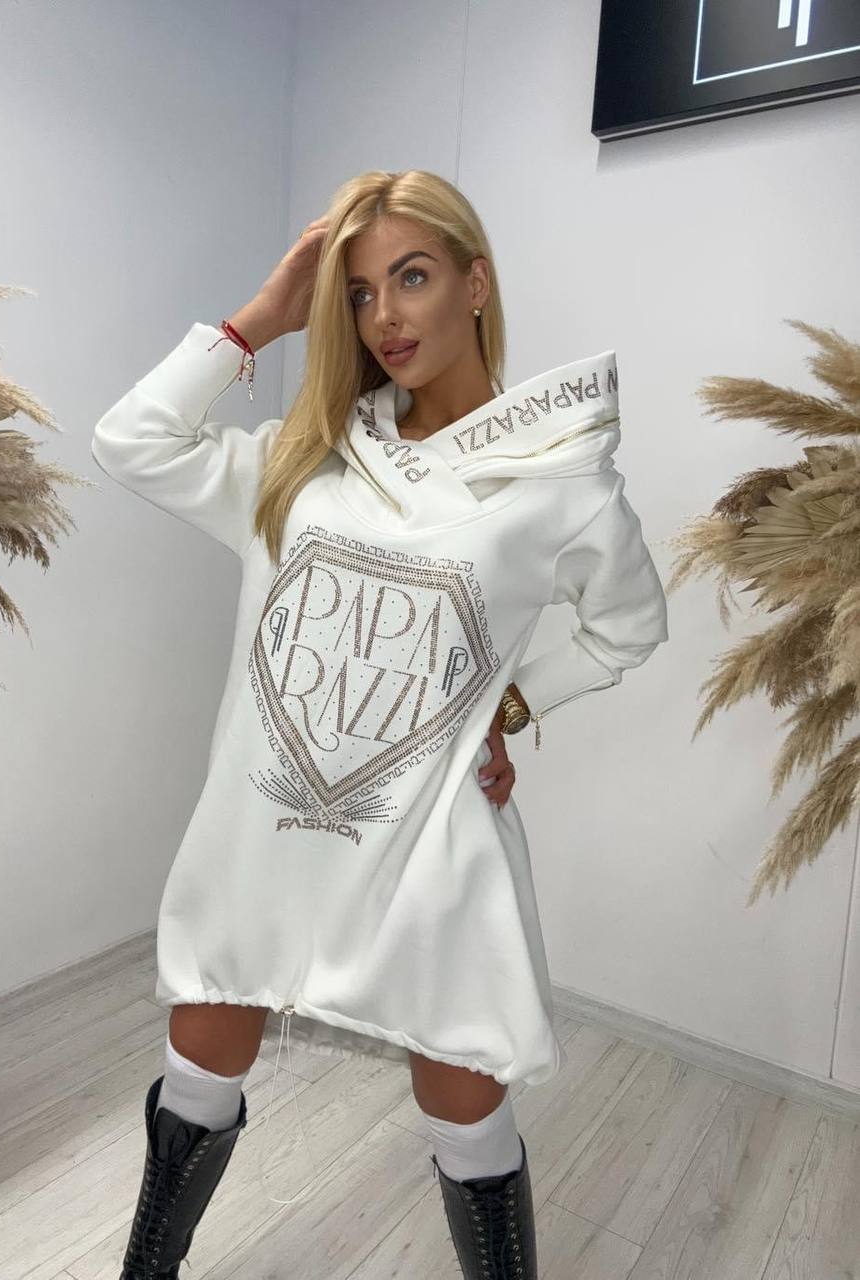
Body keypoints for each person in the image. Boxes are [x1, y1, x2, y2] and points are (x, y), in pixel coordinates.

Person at [91, 168, 669, 1279]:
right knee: (200, 1063)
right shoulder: (300, 463)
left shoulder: (563, 487)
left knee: (466, 1107)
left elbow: (627, 627)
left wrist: (510, 705)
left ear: (475, 282)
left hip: (428, 852)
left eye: (412, 277)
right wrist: (262, 316)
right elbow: (132, 440)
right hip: (261, 838)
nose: (385, 317)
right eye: (358, 293)